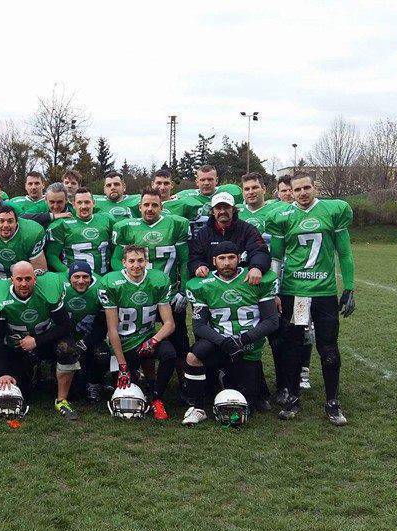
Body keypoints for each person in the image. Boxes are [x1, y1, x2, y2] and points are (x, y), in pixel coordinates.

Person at [270, 172, 355, 426]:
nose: (302, 193)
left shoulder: (333, 210)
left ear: (314, 187)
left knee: (328, 348)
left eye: (306, 187)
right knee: (293, 347)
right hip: (295, 292)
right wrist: (275, 291)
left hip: (324, 292)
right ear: (291, 192)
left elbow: (345, 253)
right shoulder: (283, 215)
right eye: (297, 189)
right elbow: (276, 258)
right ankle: (293, 397)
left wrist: (349, 288)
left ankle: (332, 402)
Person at [181, 241, 279, 425]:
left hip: (248, 345)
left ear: (239, 258)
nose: (227, 263)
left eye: (231, 257)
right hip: (220, 343)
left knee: (246, 403)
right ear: (214, 261)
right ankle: (197, 407)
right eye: (222, 258)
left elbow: (272, 321)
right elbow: (199, 326)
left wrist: (244, 339)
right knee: (193, 356)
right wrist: (224, 342)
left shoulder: (256, 279)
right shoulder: (202, 284)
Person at [111, 188, 191, 402]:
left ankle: (184, 383)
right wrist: (127, 283)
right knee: (131, 334)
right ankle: (130, 374)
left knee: (178, 340)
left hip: (167, 293)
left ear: (161, 206)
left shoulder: (176, 224)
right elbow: (116, 260)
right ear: (139, 207)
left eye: (154, 205)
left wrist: (182, 290)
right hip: (136, 292)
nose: (150, 208)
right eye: (146, 205)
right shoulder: (127, 227)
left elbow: (184, 260)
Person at [0, 262, 76, 418]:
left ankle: (62, 400)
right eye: (19, 279)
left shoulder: (48, 290)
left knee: (66, 349)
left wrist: (37, 341)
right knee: (20, 391)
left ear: (35, 279)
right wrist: (3, 372)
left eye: (28, 279)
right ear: (11, 280)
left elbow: (65, 326)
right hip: (17, 346)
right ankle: (32, 372)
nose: (24, 284)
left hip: (45, 342)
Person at [99, 245, 177, 420]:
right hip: (123, 345)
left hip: (146, 340)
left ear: (146, 262)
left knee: (169, 353)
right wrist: (122, 366)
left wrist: (153, 341)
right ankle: (133, 375)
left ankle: (157, 398)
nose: (136, 265)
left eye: (140, 260)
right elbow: (112, 330)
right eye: (131, 261)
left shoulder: (158, 280)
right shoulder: (111, 283)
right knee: (124, 388)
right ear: (123, 262)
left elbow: (169, 324)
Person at [236, 173, 287, 399]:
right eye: (246, 188)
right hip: (245, 283)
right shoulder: (237, 212)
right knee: (246, 333)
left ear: (264, 189)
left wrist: (275, 288)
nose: (250, 192)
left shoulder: (277, 211)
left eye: (255, 187)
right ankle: (252, 386)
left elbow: (277, 255)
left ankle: (284, 385)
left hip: (272, 279)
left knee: (278, 337)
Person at [188, 192, 271, 285]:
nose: (222, 211)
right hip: (213, 285)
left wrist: (257, 267)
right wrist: (198, 266)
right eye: (218, 208)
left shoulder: (248, 229)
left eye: (226, 207)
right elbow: (194, 257)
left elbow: (260, 251)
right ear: (212, 211)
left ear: (233, 209)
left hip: (244, 282)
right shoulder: (203, 233)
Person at [59, 262, 109, 403]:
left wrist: (86, 342)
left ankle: (95, 383)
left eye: (85, 277)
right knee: (63, 350)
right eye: (76, 277)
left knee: (102, 354)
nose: (81, 281)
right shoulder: (59, 286)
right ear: (69, 278)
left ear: (91, 277)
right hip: (66, 336)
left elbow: (102, 325)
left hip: (90, 337)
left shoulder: (101, 289)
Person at [46, 187, 114, 275]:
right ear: (74, 205)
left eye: (87, 202)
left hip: (104, 276)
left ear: (94, 203)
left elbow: (115, 250)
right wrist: (69, 273)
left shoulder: (107, 219)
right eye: (79, 203)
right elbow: (52, 256)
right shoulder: (61, 224)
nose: (83, 206)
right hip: (76, 279)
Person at [164, 165, 243, 237]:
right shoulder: (184, 196)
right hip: (196, 237)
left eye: (210, 179)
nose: (206, 183)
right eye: (202, 180)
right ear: (197, 182)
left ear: (216, 180)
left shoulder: (232, 192)